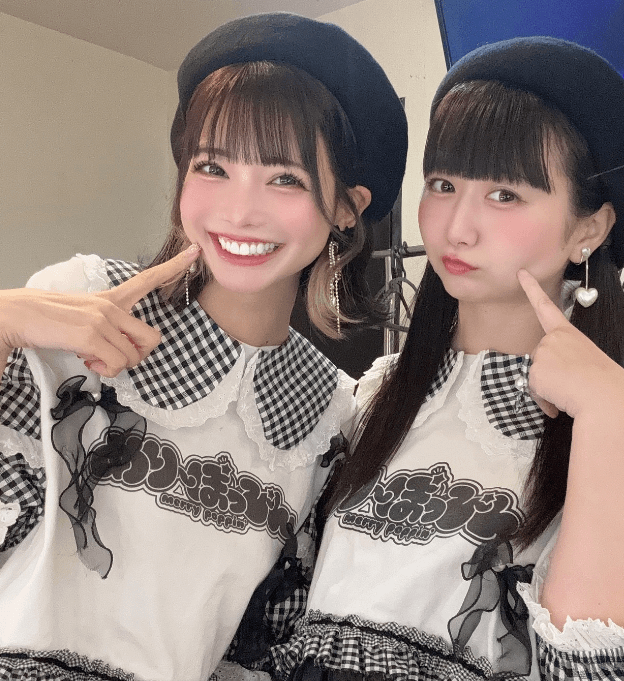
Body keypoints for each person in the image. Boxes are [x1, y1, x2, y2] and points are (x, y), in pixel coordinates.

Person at [0, 12, 407, 681]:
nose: (239, 210)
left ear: (347, 206)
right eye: (212, 166)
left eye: (285, 178)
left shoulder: (330, 412)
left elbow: (263, 640)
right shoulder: (85, 298)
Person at [268, 37, 624, 680]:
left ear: (589, 229)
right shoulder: (374, 394)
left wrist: (610, 417)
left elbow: (619, 670)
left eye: (505, 195)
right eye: (443, 185)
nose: (456, 227)